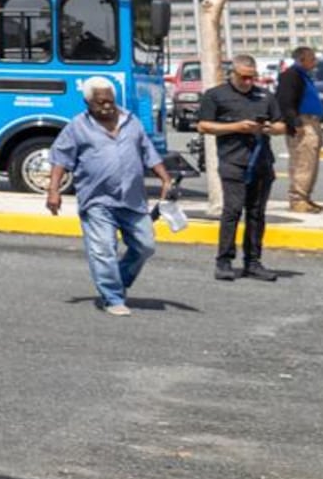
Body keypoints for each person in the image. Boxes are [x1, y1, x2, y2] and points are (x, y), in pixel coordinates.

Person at [45, 76, 170, 315]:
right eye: (100, 102)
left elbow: (148, 152)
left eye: (109, 101)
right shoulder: (77, 127)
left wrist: (165, 179)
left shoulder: (131, 121)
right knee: (103, 249)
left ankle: (119, 281)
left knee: (145, 246)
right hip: (97, 200)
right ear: (87, 102)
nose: (106, 106)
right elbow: (60, 159)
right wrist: (54, 191)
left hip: (132, 199)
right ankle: (113, 297)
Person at [197, 54, 281, 282]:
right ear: (232, 73)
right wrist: (237, 127)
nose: (247, 82)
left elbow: (281, 124)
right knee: (232, 211)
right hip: (233, 161)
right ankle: (224, 261)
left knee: (256, 214)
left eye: (251, 77)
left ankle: (253, 262)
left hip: (262, 162)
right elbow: (204, 126)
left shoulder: (265, 95)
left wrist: (267, 128)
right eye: (243, 77)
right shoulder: (216, 95)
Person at [274, 44, 323, 214]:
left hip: (312, 122)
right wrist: (295, 123)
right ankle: (298, 199)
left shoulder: (304, 75)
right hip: (302, 123)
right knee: (302, 162)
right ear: (301, 60)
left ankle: (306, 197)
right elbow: (285, 101)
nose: (315, 62)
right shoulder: (291, 75)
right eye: (312, 58)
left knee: (311, 162)